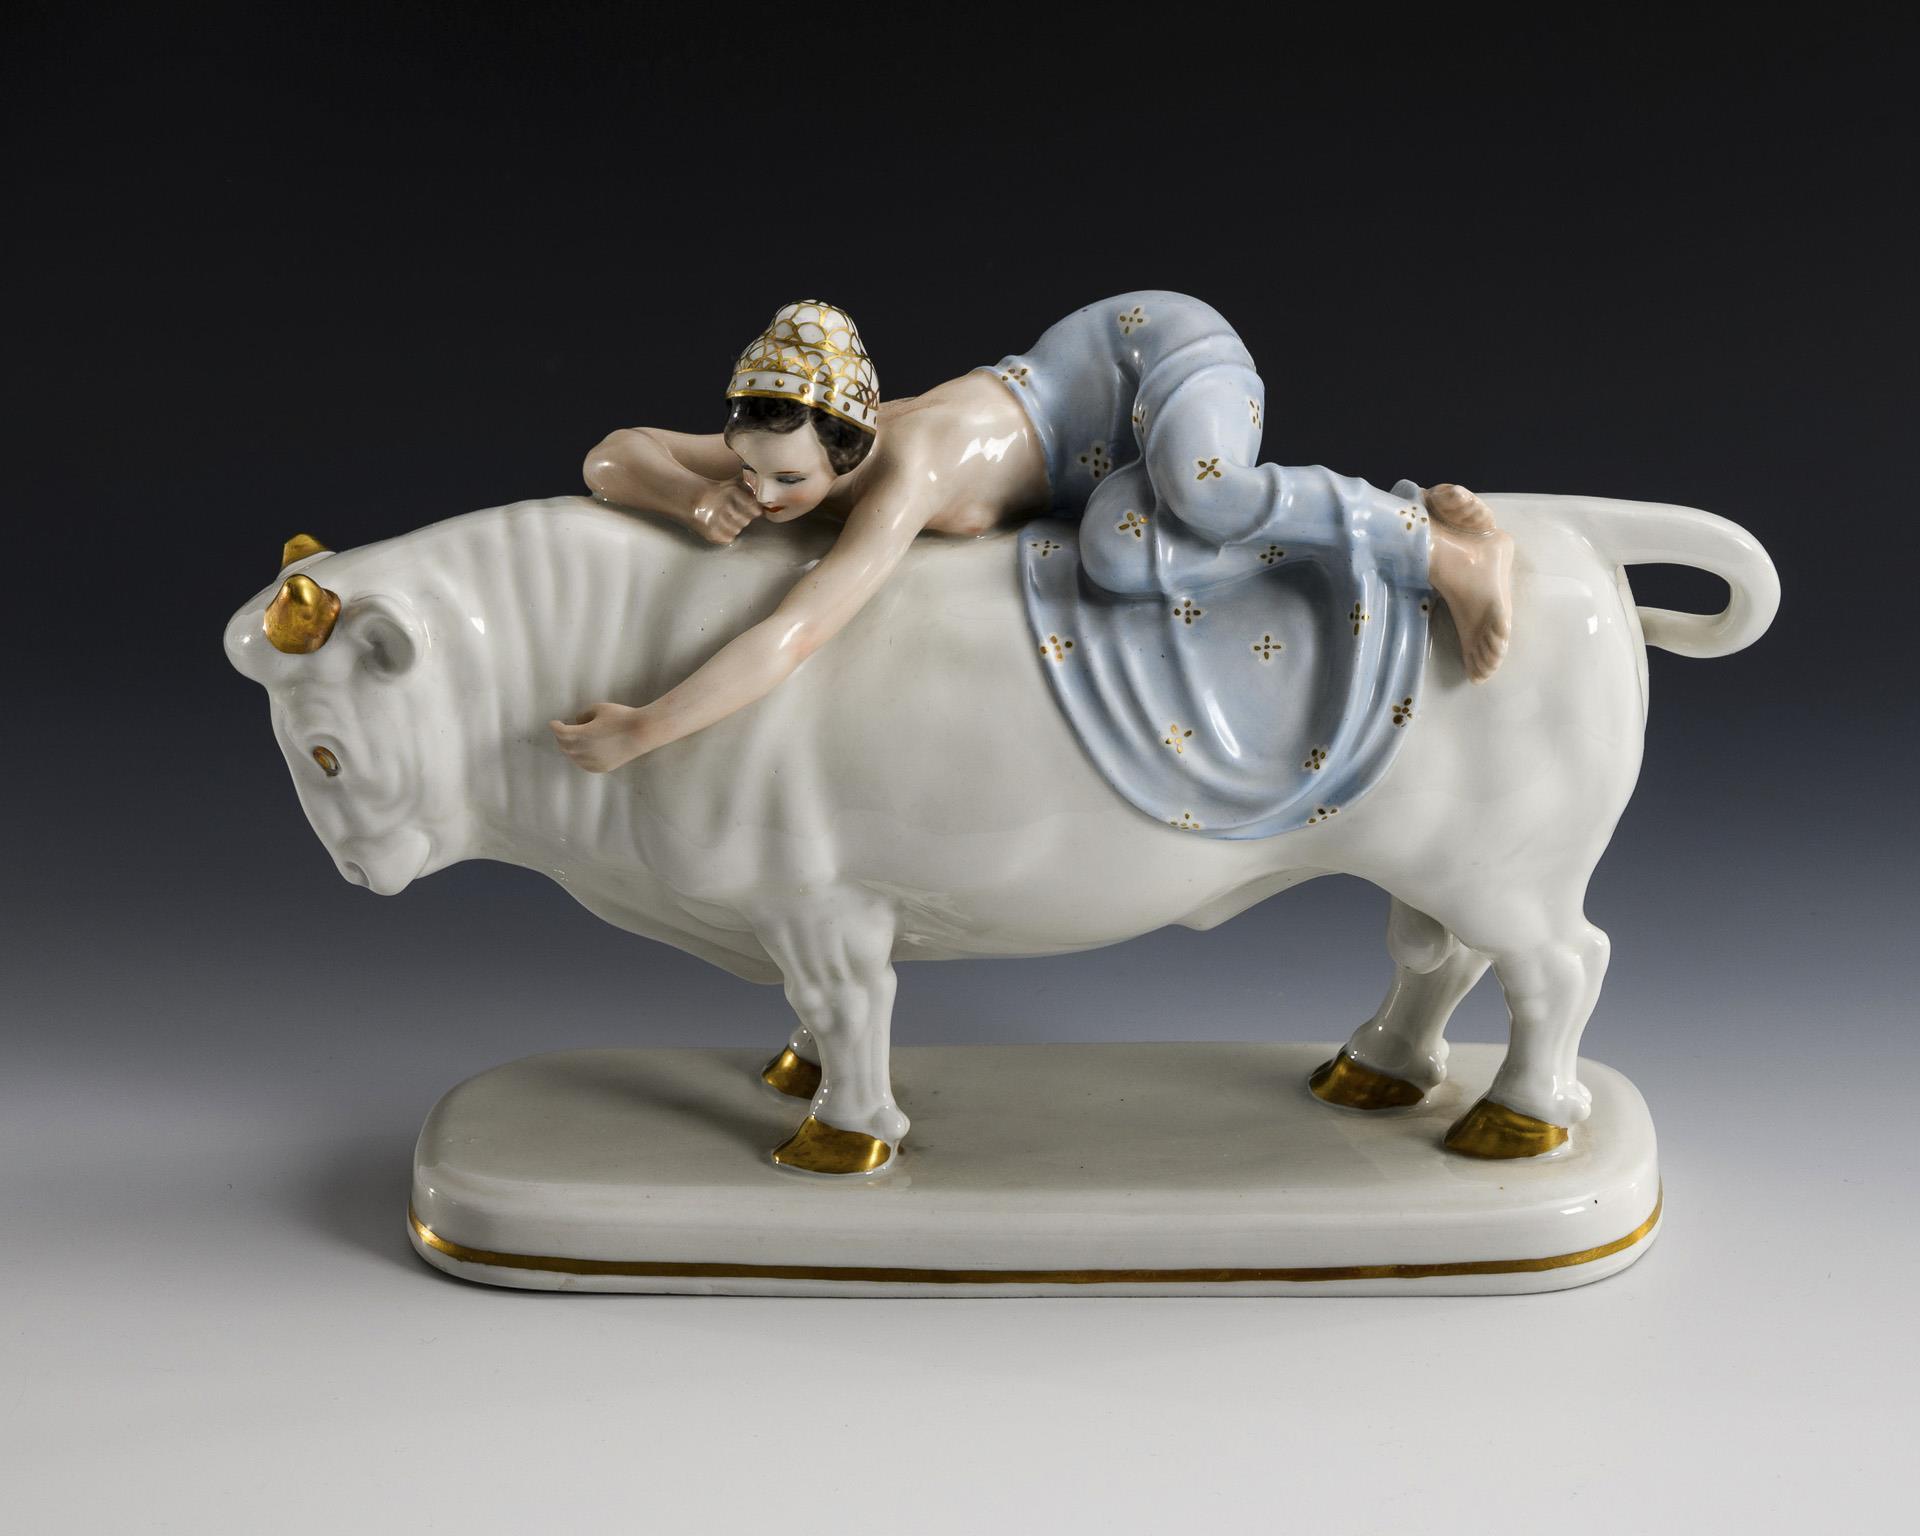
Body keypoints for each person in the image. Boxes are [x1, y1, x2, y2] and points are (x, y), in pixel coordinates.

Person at [550, 296, 1512, 785]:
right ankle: (1322, 539)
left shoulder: (907, 470)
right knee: (1117, 555)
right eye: (747, 468)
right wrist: (693, 499)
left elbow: (797, 631)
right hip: (1102, 469)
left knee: (1205, 492)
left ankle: (1442, 550)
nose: (761, 496)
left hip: (1152, 353)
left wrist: (648, 727)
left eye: (787, 481)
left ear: (848, 448)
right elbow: (611, 454)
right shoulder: (789, 447)